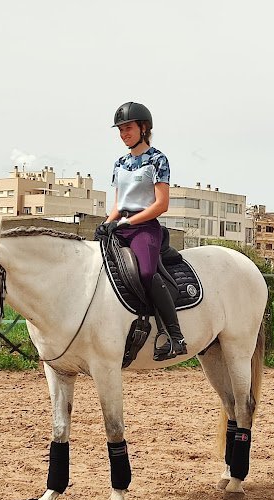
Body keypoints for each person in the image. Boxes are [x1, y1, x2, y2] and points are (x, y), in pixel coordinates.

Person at [96, 101, 187, 360]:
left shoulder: (158, 159)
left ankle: (175, 336)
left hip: (145, 228)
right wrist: (106, 224)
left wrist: (126, 223)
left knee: (146, 272)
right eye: (120, 129)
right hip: (120, 226)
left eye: (128, 128)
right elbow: (118, 204)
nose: (123, 133)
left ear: (143, 128)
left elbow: (161, 204)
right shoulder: (120, 163)